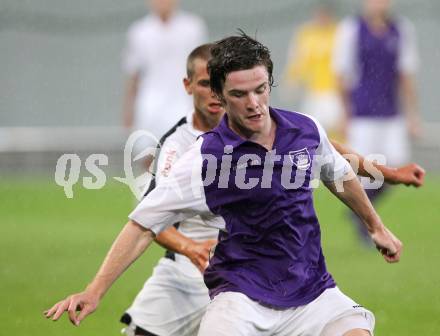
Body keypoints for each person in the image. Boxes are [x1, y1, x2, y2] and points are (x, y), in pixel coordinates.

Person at [46, 33, 405, 336]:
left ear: (269, 84)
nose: (254, 104)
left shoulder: (305, 129)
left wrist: (376, 227)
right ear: (219, 93)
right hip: (240, 298)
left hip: (312, 291)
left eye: (260, 90)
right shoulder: (204, 158)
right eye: (239, 95)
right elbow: (143, 224)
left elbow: (338, 172)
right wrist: (94, 291)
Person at [333, 0, 421, 243]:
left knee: (396, 168)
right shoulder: (351, 29)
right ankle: (366, 224)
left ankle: (358, 212)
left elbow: (405, 74)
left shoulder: (401, 30)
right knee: (366, 170)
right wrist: (345, 114)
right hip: (362, 114)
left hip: (391, 113)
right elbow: (342, 74)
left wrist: (413, 115)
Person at [122, 0, 207, 166]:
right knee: (146, 154)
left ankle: (177, 189)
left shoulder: (193, 27)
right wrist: (128, 110)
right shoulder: (139, 31)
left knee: (184, 154)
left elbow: (202, 69)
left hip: (183, 100)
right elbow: (134, 74)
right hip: (150, 102)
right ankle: (148, 190)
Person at [282, 2, 343, 138]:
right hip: (314, 92)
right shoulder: (306, 34)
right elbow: (298, 59)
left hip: (335, 92)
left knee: (338, 130)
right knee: (312, 131)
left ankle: (343, 158)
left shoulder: (340, 32)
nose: (322, 17)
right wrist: (291, 80)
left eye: (326, 14)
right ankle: (319, 159)